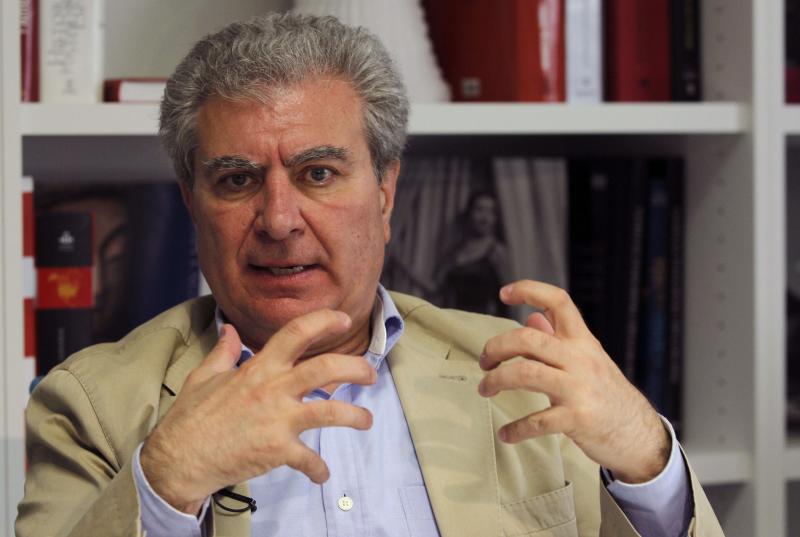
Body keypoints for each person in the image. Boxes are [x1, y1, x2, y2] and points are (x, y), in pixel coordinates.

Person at [16, 12, 724, 537]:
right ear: (191, 202)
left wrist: (647, 459)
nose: (279, 219)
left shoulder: (522, 376)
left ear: (385, 191)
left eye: (318, 173)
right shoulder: (92, 405)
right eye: (236, 179)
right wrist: (168, 479)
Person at [437, 190, 512, 317]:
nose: (485, 217)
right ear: (469, 213)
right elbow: (435, 287)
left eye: (491, 211)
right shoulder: (457, 250)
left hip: (484, 322)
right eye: (479, 209)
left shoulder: (496, 251)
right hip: (455, 320)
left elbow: (509, 296)